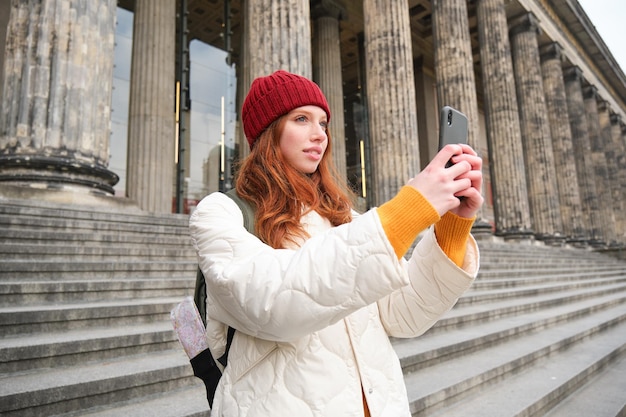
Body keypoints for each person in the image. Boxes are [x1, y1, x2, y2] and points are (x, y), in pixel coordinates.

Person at [189, 70, 482, 417]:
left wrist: (452, 226)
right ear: (268, 131)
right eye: (301, 119)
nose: (319, 134)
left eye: (323, 122)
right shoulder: (221, 212)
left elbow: (405, 315)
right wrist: (408, 210)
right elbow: (273, 302)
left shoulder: (346, 217)